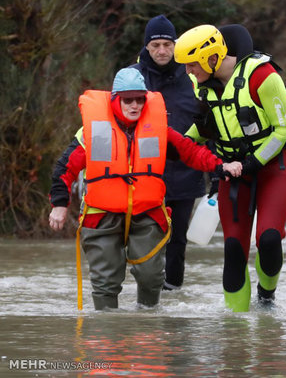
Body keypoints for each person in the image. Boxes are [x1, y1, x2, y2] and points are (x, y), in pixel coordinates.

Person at [48, 67, 242, 310]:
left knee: (152, 277)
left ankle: (147, 330)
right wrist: (59, 204)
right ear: (115, 100)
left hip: (147, 212)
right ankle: (107, 336)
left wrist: (220, 166)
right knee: (105, 283)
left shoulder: (159, 128)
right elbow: (64, 169)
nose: (135, 105)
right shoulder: (91, 131)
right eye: (128, 100)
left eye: (140, 99)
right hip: (102, 215)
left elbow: (190, 152)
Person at [174, 24, 286, 312]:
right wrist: (180, 144)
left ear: (211, 58)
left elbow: (283, 129)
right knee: (234, 248)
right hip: (233, 169)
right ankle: (235, 333)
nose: (189, 72)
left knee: (268, 238)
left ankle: (267, 295)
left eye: (192, 65)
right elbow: (206, 124)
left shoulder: (263, 76)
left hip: (273, 162)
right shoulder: (202, 85)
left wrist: (253, 162)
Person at [130, 14, 210, 291]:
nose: (162, 51)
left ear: (176, 44)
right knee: (145, 236)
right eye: (156, 46)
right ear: (147, 48)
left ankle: (174, 293)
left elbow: (209, 124)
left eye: (167, 44)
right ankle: (146, 293)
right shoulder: (133, 77)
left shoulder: (194, 76)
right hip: (143, 173)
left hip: (187, 172)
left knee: (177, 239)